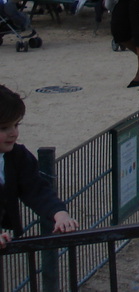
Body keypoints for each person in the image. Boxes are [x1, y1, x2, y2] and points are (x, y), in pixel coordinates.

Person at [0, 85, 79, 247]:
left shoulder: (16, 156)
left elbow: (36, 189)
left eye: (16, 125)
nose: (13, 133)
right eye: (4, 128)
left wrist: (60, 214)